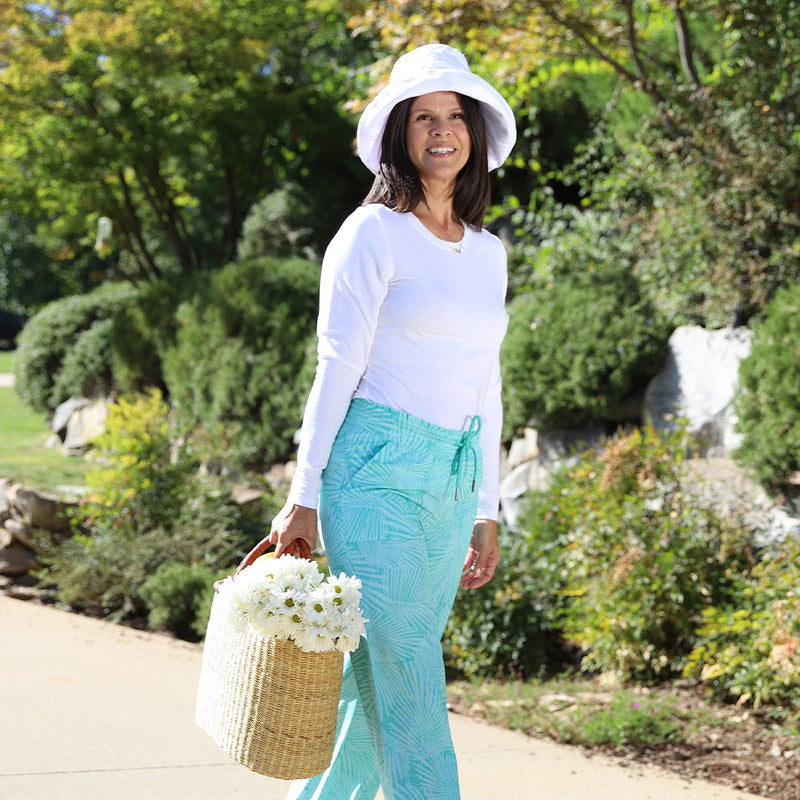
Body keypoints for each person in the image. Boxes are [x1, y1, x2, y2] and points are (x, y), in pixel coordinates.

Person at [237, 42, 517, 800]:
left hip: (450, 484)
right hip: (373, 474)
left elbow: (486, 383)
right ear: (399, 133)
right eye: (423, 116)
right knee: (409, 673)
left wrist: (486, 507)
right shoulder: (370, 234)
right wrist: (305, 496)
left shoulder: (489, 253)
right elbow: (337, 368)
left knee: (379, 682)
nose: (441, 130)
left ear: (475, 133)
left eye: (455, 116)